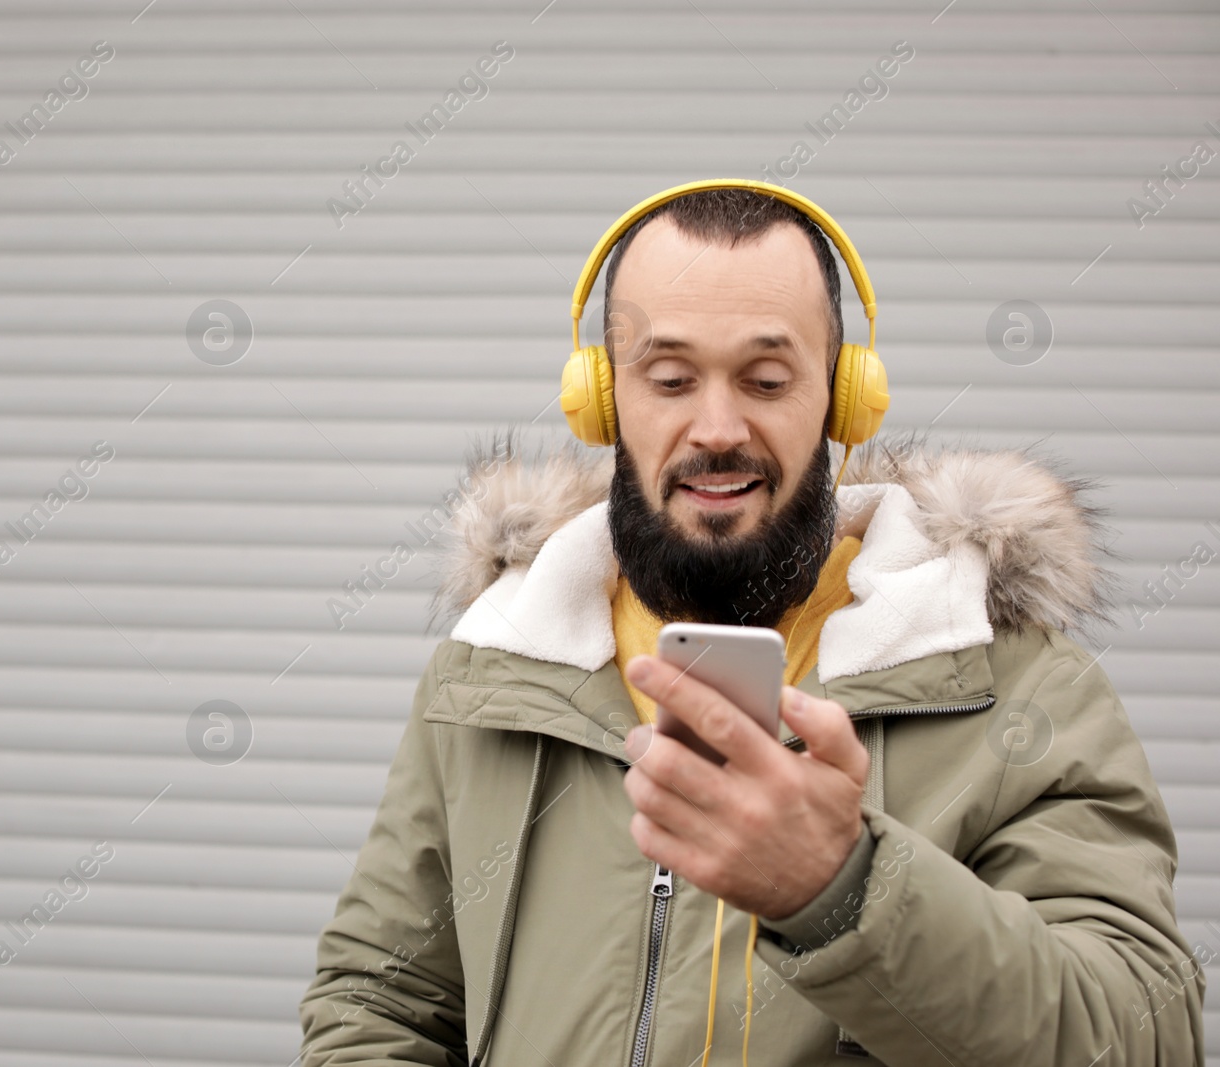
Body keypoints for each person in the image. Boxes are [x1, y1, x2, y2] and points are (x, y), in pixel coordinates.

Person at [297, 182, 1205, 1066]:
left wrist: (845, 889)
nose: (717, 426)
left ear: (845, 401)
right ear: (603, 401)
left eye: (767, 379)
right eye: (670, 378)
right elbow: (377, 1000)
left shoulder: (1018, 688)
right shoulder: (490, 670)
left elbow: (1138, 1034)